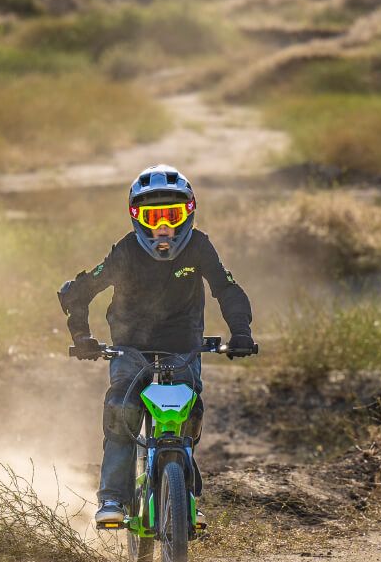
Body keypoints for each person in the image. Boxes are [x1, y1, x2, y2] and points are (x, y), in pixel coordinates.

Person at [58, 165, 254, 525]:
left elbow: (227, 289)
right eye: (153, 217)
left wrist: (241, 332)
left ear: (189, 213)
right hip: (131, 346)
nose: (163, 227)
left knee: (189, 415)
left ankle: (184, 497)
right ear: (138, 218)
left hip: (184, 346)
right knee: (122, 410)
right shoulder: (126, 251)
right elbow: (77, 292)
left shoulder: (199, 246)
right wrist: (82, 338)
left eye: (172, 216)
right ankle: (113, 499)